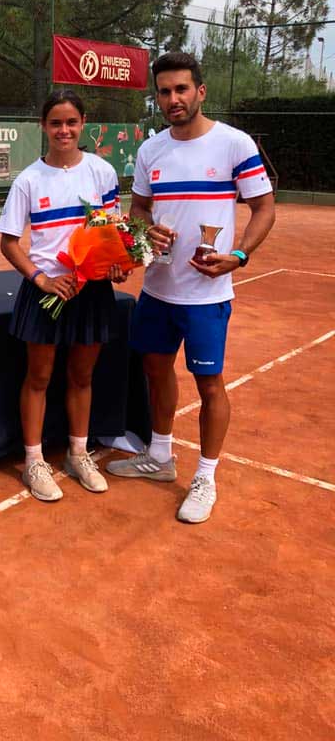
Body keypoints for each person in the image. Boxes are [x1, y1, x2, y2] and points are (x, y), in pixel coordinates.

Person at [106, 51, 275, 523]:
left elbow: (264, 207)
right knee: (156, 372)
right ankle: (159, 456)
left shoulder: (233, 144)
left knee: (210, 385)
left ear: (200, 91)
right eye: (164, 91)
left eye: (182, 89)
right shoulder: (150, 150)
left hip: (207, 295)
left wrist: (239, 256)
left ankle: (205, 475)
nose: (173, 99)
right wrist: (146, 232)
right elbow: (139, 210)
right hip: (159, 289)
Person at [0, 88, 129, 502]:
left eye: (71, 122)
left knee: (82, 376)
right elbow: (9, 243)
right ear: (43, 126)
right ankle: (34, 461)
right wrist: (41, 279)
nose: (64, 130)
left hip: (91, 290)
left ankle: (77, 453)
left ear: (83, 123)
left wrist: (116, 264)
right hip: (47, 291)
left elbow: (111, 230)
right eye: (56, 123)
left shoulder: (102, 172)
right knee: (38, 377)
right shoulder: (29, 180)